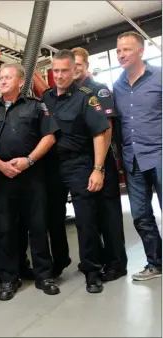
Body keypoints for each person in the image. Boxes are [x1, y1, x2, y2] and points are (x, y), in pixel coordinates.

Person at [0, 63, 60, 301]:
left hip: (32, 176)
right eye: (0, 77)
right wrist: (0, 165)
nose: (2, 81)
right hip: (3, 179)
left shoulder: (36, 106)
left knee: (37, 226)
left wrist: (29, 160)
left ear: (20, 82)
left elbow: (49, 136)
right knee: (5, 229)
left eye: (7, 77)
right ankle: (8, 278)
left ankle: (44, 275)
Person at [42, 49, 110, 293]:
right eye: (55, 71)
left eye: (64, 71)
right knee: (54, 218)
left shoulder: (86, 97)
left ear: (74, 70)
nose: (59, 76)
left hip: (79, 164)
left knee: (86, 219)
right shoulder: (46, 98)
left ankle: (92, 270)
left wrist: (97, 169)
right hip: (51, 166)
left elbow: (100, 134)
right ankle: (59, 262)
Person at [72, 47, 128, 281]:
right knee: (90, 217)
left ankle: (117, 264)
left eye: (78, 64)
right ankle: (100, 258)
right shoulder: (70, 94)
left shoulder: (99, 91)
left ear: (86, 65)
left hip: (101, 161)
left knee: (109, 214)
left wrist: (100, 166)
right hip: (82, 163)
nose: (74, 69)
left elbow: (106, 128)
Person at [113, 31, 162, 281]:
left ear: (140, 51)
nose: (121, 54)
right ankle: (156, 264)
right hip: (132, 159)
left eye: (126, 50)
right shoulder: (117, 86)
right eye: (119, 50)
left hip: (160, 153)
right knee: (141, 215)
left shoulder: (160, 77)